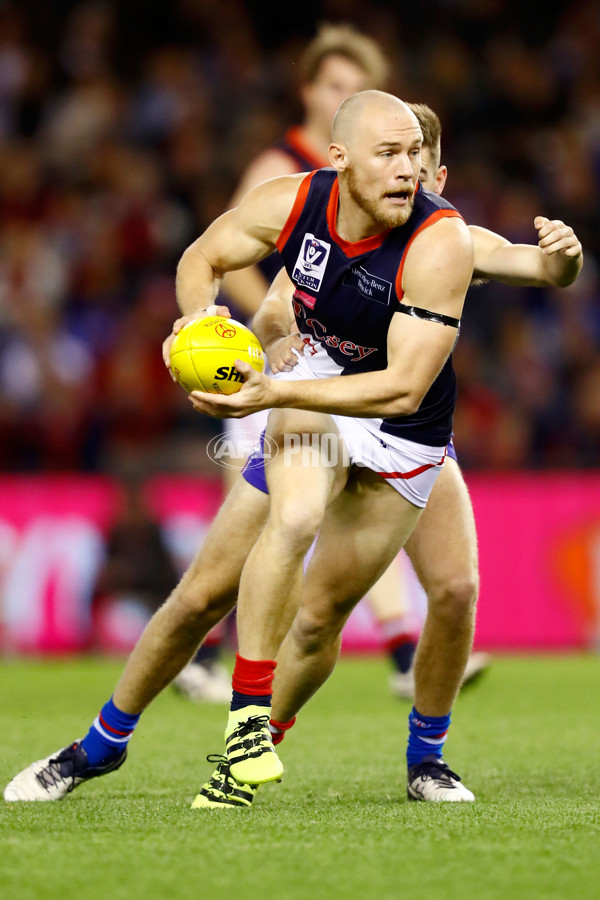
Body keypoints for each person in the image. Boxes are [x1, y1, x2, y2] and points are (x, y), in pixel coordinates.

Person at [4, 93, 583, 807]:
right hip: (313, 394)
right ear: (341, 160)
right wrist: (199, 325)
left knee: (331, 617)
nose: (413, 175)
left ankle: (341, 748)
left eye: (420, 161)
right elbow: (215, 262)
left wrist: (563, 263)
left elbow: (410, 381)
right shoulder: (300, 206)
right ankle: (115, 743)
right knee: (216, 581)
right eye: (394, 157)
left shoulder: (444, 242)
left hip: (399, 424)